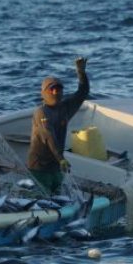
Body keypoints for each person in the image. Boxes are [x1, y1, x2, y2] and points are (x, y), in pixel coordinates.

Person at [27, 57, 90, 194]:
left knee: (57, 200)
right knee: (40, 201)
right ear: (44, 93)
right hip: (39, 169)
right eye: (52, 89)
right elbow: (49, 136)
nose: (55, 92)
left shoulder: (65, 108)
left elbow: (82, 93)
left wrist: (81, 73)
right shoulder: (41, 112)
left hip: (56, 168)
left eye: (58, 89)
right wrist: (61, 159)